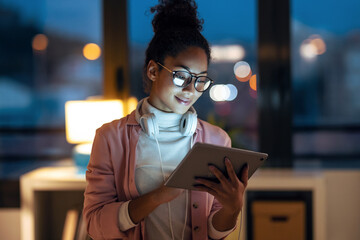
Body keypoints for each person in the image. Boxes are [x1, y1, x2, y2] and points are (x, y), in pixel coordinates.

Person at [83, 0, 248, 239]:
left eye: (200, 79)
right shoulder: (110, 138)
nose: (191, 89)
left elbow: (214, 231)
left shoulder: (216, 139)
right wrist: (157, 197)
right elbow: (95, 224)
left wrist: (232, 209)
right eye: (181, 76)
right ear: (153, 71)